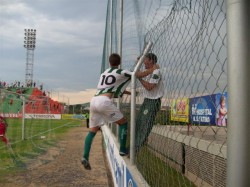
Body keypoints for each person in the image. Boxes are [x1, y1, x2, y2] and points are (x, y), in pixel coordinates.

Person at [81, 53, 132, 170]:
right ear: (119, 63)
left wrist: (130, 93)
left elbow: (115, 90)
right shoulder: (119, 72)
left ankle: (85, 156)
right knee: (123, 123)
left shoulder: (104, 74)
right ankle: (123, 150)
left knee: (92, 131)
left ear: (109, 62)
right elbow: (135, 74)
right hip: (104, 101)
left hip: (93, 101)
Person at [135, 53, 164, 151]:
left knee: (145, 124)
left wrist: (140, 79)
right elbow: (137, 72)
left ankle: (137, 147)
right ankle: (136, 144)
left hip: (153, 101)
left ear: (151, 60)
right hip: (147, 100)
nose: (144, 63)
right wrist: (138, 62)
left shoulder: (156, 72)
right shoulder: (148, 71)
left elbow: (149, 87)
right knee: (139, 122)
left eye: (145, 60)